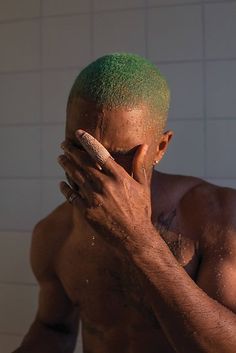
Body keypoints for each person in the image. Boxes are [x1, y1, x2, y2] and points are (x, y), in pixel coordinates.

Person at [13, 53, 236, 353]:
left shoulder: (218, 217)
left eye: (118, 156)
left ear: (160, 147)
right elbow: (54, 328)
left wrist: (138, 239)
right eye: (81, 148)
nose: (97, 169)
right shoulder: (54, 233)